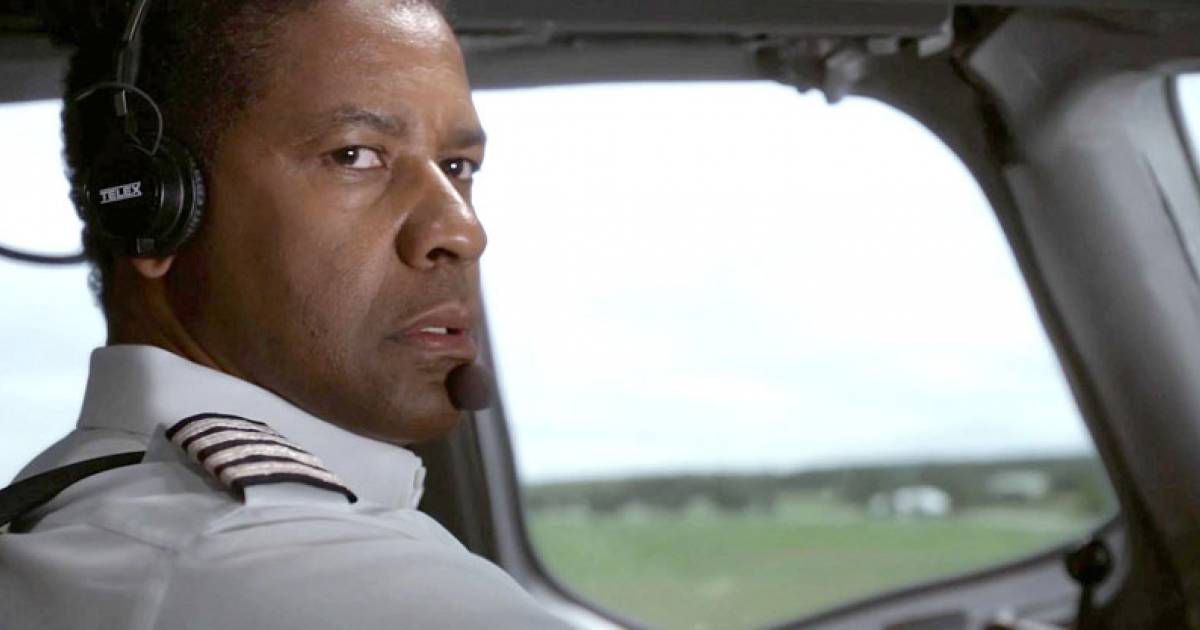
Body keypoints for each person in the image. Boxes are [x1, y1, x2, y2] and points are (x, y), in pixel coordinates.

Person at [0, 0, 574, 628]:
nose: (463, 231)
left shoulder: (69, 493)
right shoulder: (305, 576)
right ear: (147, 208)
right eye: (355, 156)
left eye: (458, 167)